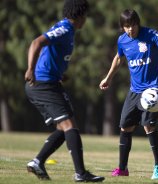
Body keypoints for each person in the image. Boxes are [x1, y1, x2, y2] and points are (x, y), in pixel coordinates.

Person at [24, 0, 105, 182]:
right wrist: (30, 68)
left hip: (50, 82)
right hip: (43, 84)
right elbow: (37, 42)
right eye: (85, 16)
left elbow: (51, 53)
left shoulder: (68, 30)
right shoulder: (65, 29)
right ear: (80, 16)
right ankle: (80, 174)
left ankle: (37, 162)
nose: (86, 20)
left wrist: (59, 73)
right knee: (70, 126)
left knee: (64, 128)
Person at [99, 9, 158, 180]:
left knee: (148, 125)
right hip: (135, 90)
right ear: (122, 27)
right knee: (125, 127)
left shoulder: (150, 34)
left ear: (138, 23)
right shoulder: (122, 40)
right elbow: (119, 58)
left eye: (132, 25)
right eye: (126, 26)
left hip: (153, 88)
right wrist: (108, 78)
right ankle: (122, 168)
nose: (130, 29)